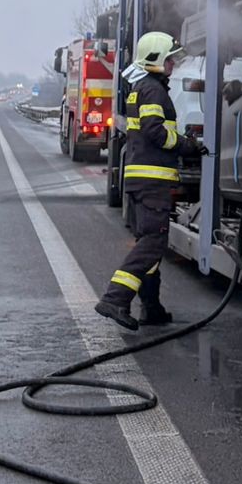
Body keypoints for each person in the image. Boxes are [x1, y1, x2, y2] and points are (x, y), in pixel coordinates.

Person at [96, 30, 205, 330]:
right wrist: (186, 145)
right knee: (153, 243)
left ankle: (151, 307)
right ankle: (115, 298)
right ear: (155, 59)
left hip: (141, 179)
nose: (172, 64)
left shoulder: (142, 88)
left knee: (150, 241)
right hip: (151, 180)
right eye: (169, 59)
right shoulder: (153, 90)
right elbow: (156, 132)